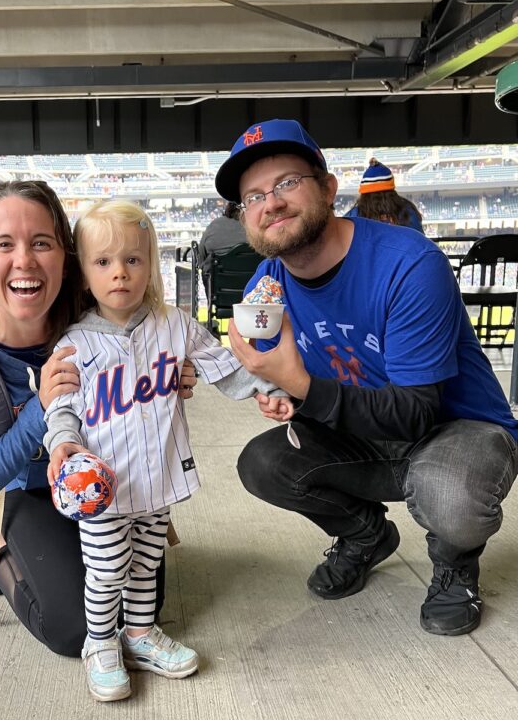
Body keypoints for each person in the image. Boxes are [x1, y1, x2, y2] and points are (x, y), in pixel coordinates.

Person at [214, 118, 518, 637]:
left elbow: (416, 413)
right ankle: (365, 535)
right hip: (368, 436)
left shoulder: (408, 263)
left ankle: (454, 562)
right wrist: (281, 390)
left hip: (453, 430)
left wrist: (306, 388)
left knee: (449, 495)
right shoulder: (268, 282)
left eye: (287, 182)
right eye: (254, 197)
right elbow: (290, 376)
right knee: (263, 463)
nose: (271, 203)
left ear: (328, 188)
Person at [0, 180, 197, 658]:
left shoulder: (94, 310)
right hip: (28, 486)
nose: (25, 260)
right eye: (4, 244)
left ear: (66, 258)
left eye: (42, 243)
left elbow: (154, 341)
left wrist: (168, 372)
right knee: (75, 629)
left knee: (139, 611)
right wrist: (42, 409)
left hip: (107, 475)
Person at [44, 199, 293, 701]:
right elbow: (61, 407)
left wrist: (272, 390)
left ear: (151, 264)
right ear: (84, 273)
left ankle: (138, 635)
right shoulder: (74, 343)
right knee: (107, 567)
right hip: (102, 488)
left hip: (156, 479)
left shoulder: (175, 327)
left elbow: (225, 367)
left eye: (134, 260)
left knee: (146, 563)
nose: (120, 273)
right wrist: (64, 443)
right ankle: (100, 642)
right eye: (104, 262)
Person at [344, 158, 424, 232]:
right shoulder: (408, 211)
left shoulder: (354, 216)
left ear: (364, 195)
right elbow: (422, 243)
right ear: (392, 191)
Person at [195, 200, 246, 297]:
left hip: (220, 295)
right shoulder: (257, 228)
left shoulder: (214, 226)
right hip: (255, 298)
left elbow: (201, 259)